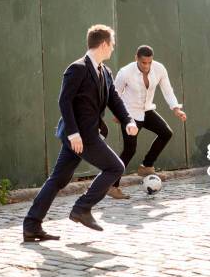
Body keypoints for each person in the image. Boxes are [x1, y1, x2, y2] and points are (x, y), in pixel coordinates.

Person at [22, 25, 138, 241]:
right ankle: (82, 208)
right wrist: (74, 134)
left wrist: (128, 120)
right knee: (115, 167)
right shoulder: (77, 68)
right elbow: (64, 101)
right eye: (112, 45)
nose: (113, 49)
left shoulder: (105, 72)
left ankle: (31, 225)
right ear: (103, 44)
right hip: (81, 135)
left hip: (85, 134)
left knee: (58, 179)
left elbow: (114, 99)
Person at [107, 45, 187, 199]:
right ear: (136, 59)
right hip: (129, 113)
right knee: (130, 150)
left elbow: (167, 89)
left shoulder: (159, 69)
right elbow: (114, 94)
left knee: (166, 133)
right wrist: (118, 114)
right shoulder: (125, 72)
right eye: (144, 63)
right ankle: (112, 186)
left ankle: (146, 165)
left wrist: (176, 108)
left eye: (149, 62)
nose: (147, 66)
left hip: (147, 110)